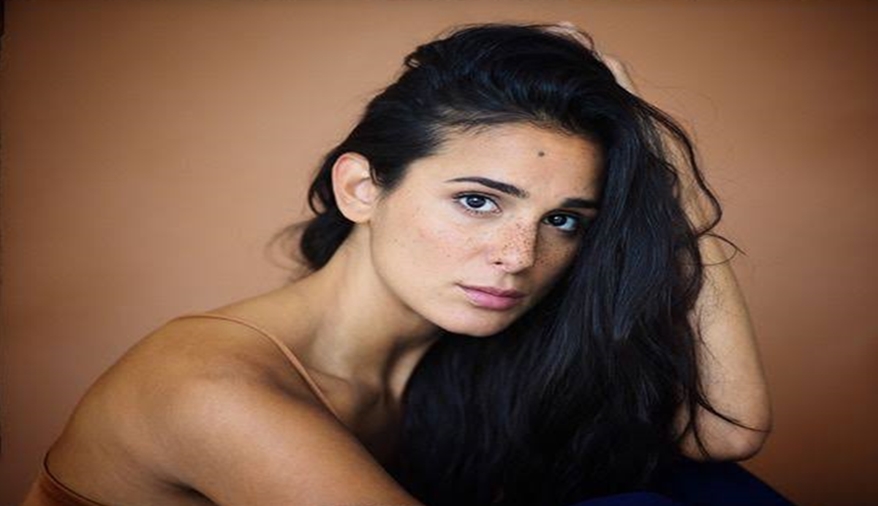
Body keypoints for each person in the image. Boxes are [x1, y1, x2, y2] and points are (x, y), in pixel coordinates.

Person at [22, 23, 777, 506]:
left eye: (563, 220)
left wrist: (667, 182)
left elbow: (725, 434)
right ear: (361, 188)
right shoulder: (210, 390)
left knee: (701, 488)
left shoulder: (460, 355)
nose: (518, 257)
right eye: (478, 201)